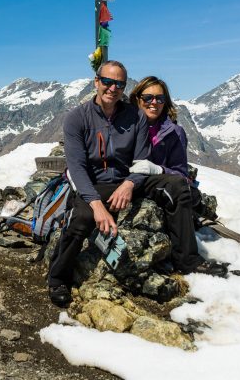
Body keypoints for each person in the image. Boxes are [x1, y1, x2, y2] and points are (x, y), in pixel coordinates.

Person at [48, 60, 149, 307]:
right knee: (80, 219)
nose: (112, 88)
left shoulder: (136, 116)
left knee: (173, 188)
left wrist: (129, 184)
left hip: (125, 182)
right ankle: (57, 278)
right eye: (107, 81)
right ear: (96, 82)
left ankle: (187, 259)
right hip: (92, 183)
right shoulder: (77, 118)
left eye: (119, 84)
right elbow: (77, 167)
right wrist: (96, 205)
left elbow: (143, 160)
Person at [128, 76, 227, 278]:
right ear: (137, 99)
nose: (153, 103)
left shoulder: (174, 132)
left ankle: (187, 260)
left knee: (179, 187)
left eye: (159, 98)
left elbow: (180, 172)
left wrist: (158, 170)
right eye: (147, 98)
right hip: (125, 179)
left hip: (156, 182)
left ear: (166, 101)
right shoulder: (124, 124)